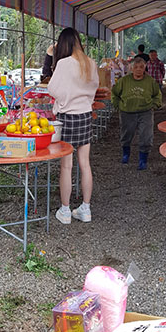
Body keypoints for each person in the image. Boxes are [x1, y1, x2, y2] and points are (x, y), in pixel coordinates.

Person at [47, 28, 99, 224]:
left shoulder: (63, 63)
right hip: (85, 115)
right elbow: (93, 88)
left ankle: (65, 210)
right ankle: (86, 209)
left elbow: (52, 89)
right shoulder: (90, 63)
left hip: (67, 117)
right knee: (85, 164)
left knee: (66, 167)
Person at [111, 56, 162, 170]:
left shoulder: (150, 81)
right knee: (126, 134)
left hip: (146, 112)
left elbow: (157, 94)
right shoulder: (124, 81)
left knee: (146, 135)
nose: (138, 69)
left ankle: (143, 160)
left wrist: (155, 104)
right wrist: (117, 105)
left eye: (141, 67)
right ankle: (126, 154)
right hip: (127, 112)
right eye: (136, 67)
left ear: (145, 68)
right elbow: (114, 93)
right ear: (131, 68)